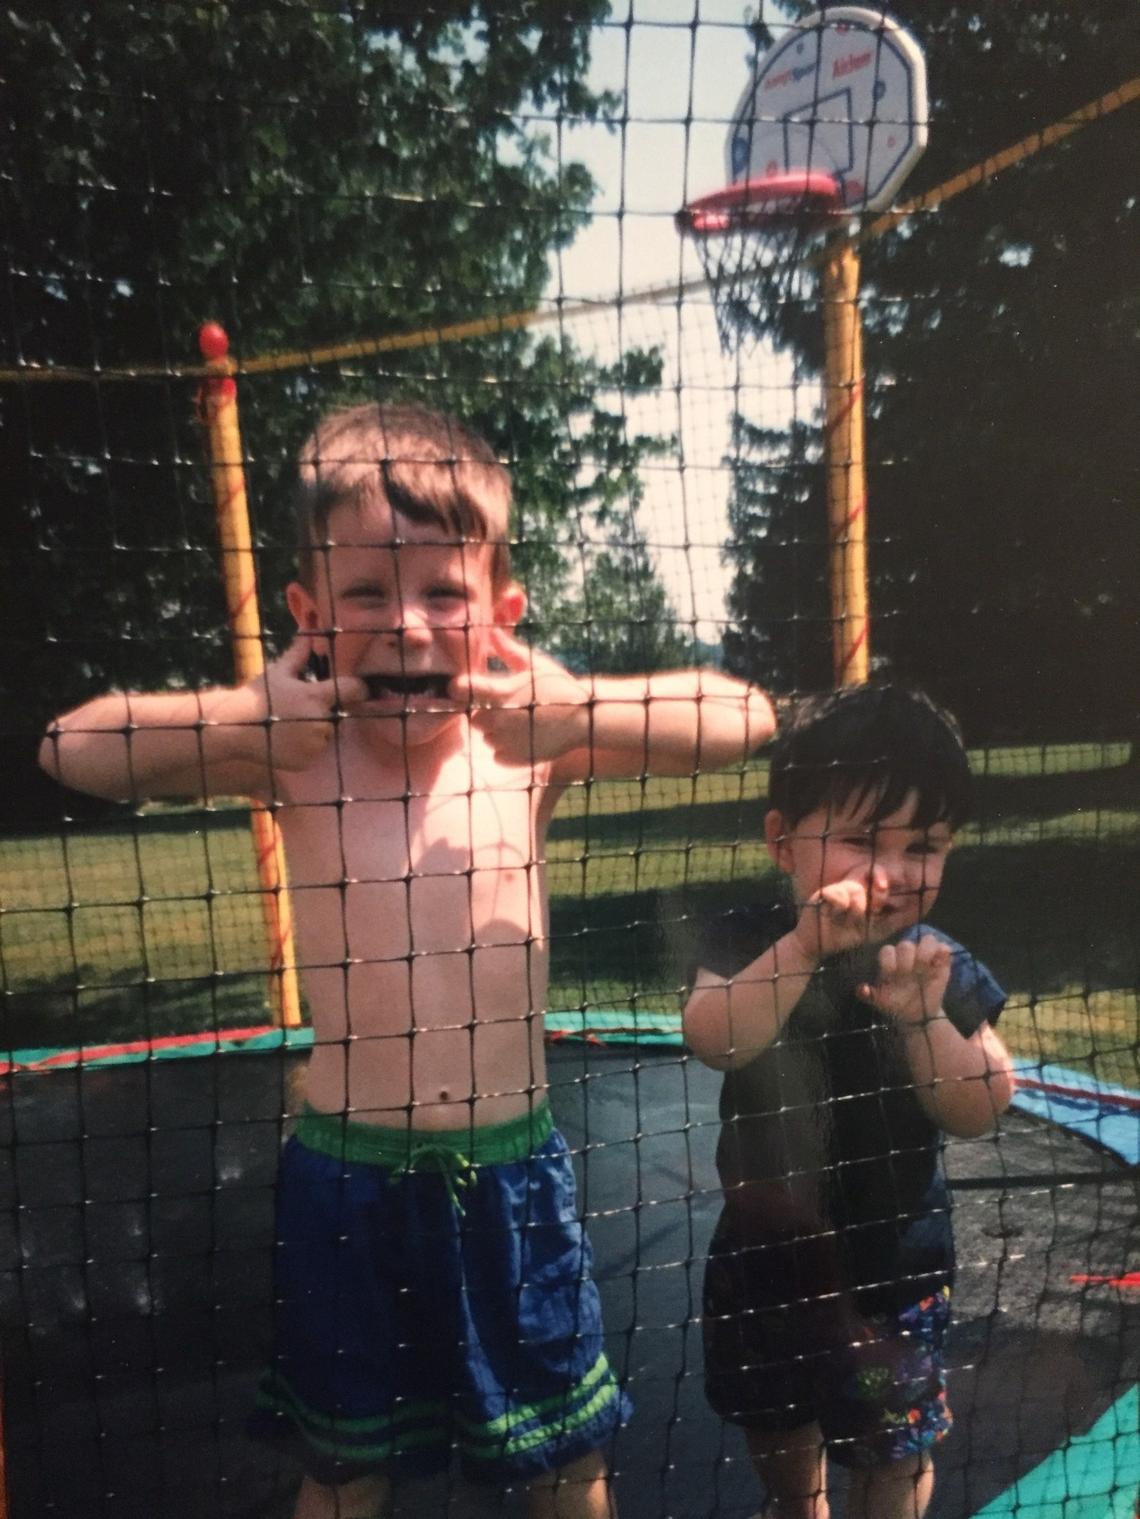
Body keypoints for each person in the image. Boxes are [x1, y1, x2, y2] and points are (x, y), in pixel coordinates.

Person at [40, 402, 777, 1519]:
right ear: (309, 615)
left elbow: (748, 714)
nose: (410, 626)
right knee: (343, 1465)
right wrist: (243, 715)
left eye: (443, 591)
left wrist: (580, 701)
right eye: (369, 594)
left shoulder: (527, 745)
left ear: (501, 615)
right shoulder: (293, 754)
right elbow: (71, 745)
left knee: (569, 1458)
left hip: (513, 1173)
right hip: (349, 1177)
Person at [683, 684, 1015, 1519]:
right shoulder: (749, 939)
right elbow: (715, 1036)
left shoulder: (933, 961)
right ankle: (799, 1508)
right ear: (782, 842)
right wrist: (800, 948)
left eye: (925, 845)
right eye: (863, 839)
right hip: (767, 1264)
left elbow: (981, 1103)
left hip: (891, 1276)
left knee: (894, 1451)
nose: (893, 872)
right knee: (778, 1423)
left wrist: (924, 1020)